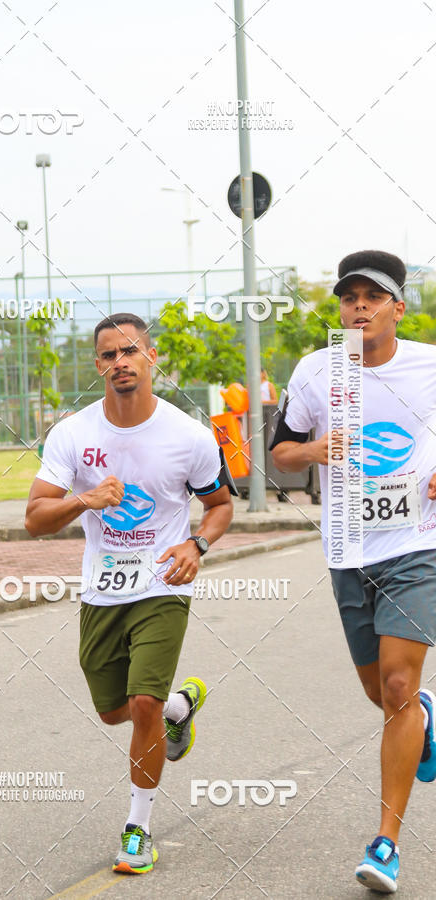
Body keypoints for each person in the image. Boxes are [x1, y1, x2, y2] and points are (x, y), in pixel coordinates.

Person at [25, 312, 234, 875]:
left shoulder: (189, 435)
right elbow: (34, 518)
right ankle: (178, 707)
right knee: (115, 711)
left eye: (130, 352)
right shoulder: (73, 434)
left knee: (139, 703)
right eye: (108, 355)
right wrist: (82, 501)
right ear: (98, 366)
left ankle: (137, 828)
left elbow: (219, 507)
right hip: (102, 590)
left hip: (162, 583)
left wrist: (196, 546)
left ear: (151, 357)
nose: (120, 362)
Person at [270, 250, 436, 893]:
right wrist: (313, 449)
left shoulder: (429, 364)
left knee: (396, 684)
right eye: (349, 297)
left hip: (417, 545)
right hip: (347, 550)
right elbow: (280, 450)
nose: (358, 306)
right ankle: (422, 713)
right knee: (384, 696)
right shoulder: (316, 372)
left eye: (373, 296)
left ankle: (386, 842)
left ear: (399, 308)